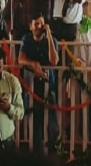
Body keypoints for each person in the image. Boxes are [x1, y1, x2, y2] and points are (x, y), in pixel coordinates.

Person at [17, 14, 59, 154]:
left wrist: (49, 36)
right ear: (31, 26)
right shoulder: (26, 39)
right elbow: (21, 59)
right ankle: (35, 152)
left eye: (41, 24)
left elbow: (54, 61)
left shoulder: (51, 40)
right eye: (36, 24)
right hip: (32, 87)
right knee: (33, 122)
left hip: (49, 86)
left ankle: (52, 152)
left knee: (51, 122)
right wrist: (34, 64)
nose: (39, 27)